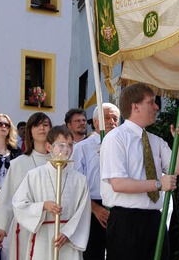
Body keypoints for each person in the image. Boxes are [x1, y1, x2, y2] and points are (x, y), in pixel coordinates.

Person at [100, 83, 179, 260]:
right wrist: (157, 184)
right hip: (127, 222)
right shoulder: (115, 138)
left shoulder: (156, 141)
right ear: (135, 106)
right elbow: (118, 183)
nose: (157, 107)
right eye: (151, 102)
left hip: (154, 220)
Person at [13, 126, 91, 260]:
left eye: (70, 145)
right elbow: (18, 204)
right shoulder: (34, 175)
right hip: (43, 236)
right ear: (49, 147)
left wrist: (68, 233)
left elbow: (83, 212)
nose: (66, 149)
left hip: (68, 239)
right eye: (61, 145)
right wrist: (43, 206)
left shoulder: (80, 179)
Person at [0, 112, 52, 260]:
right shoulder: (18, 163)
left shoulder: (58, 162)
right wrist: (2, 227)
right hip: (25, 225)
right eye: (37, 125)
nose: (41, 128)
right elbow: (8, 195)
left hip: (50, 224)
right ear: (29, 131)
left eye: (45, 125)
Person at [72, 103, 120, 260]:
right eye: (107, 117)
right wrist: (94, 208)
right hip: (92, 207)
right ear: (96, 121)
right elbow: (76, 184)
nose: (112, 122)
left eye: (115, 118)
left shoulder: (124, 146)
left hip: (120, 206)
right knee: (94, 254)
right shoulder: (82, 148)